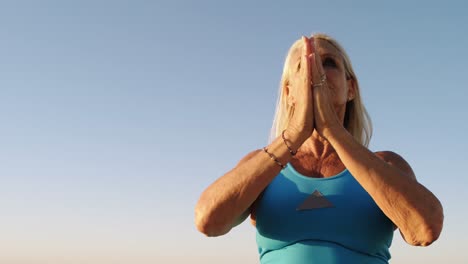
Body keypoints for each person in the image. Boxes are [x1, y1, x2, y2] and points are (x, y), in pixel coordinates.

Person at [194, 33, 444, 263]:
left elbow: (425, 229)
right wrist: (292, 135)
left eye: (329, 63)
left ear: (351, 88)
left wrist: (333, 131)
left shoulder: (386, 164)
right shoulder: (262, 165)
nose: (317, 73)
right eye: (302, 66)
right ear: (289, 92)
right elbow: (208, 220)